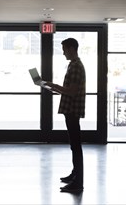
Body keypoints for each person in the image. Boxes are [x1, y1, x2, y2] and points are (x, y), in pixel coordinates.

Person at [45, 38, 86, 193]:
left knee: (76, 146)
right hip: (71, 110)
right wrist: (50, 86)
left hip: (72, 111)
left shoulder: (76, 67)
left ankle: (78, 182)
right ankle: (75, 175)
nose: (63, 53)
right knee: (74, 145)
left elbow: (71, 91)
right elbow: (68, 89)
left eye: (64, 49)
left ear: (71, 48)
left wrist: (54, 86)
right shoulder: (73, 65)